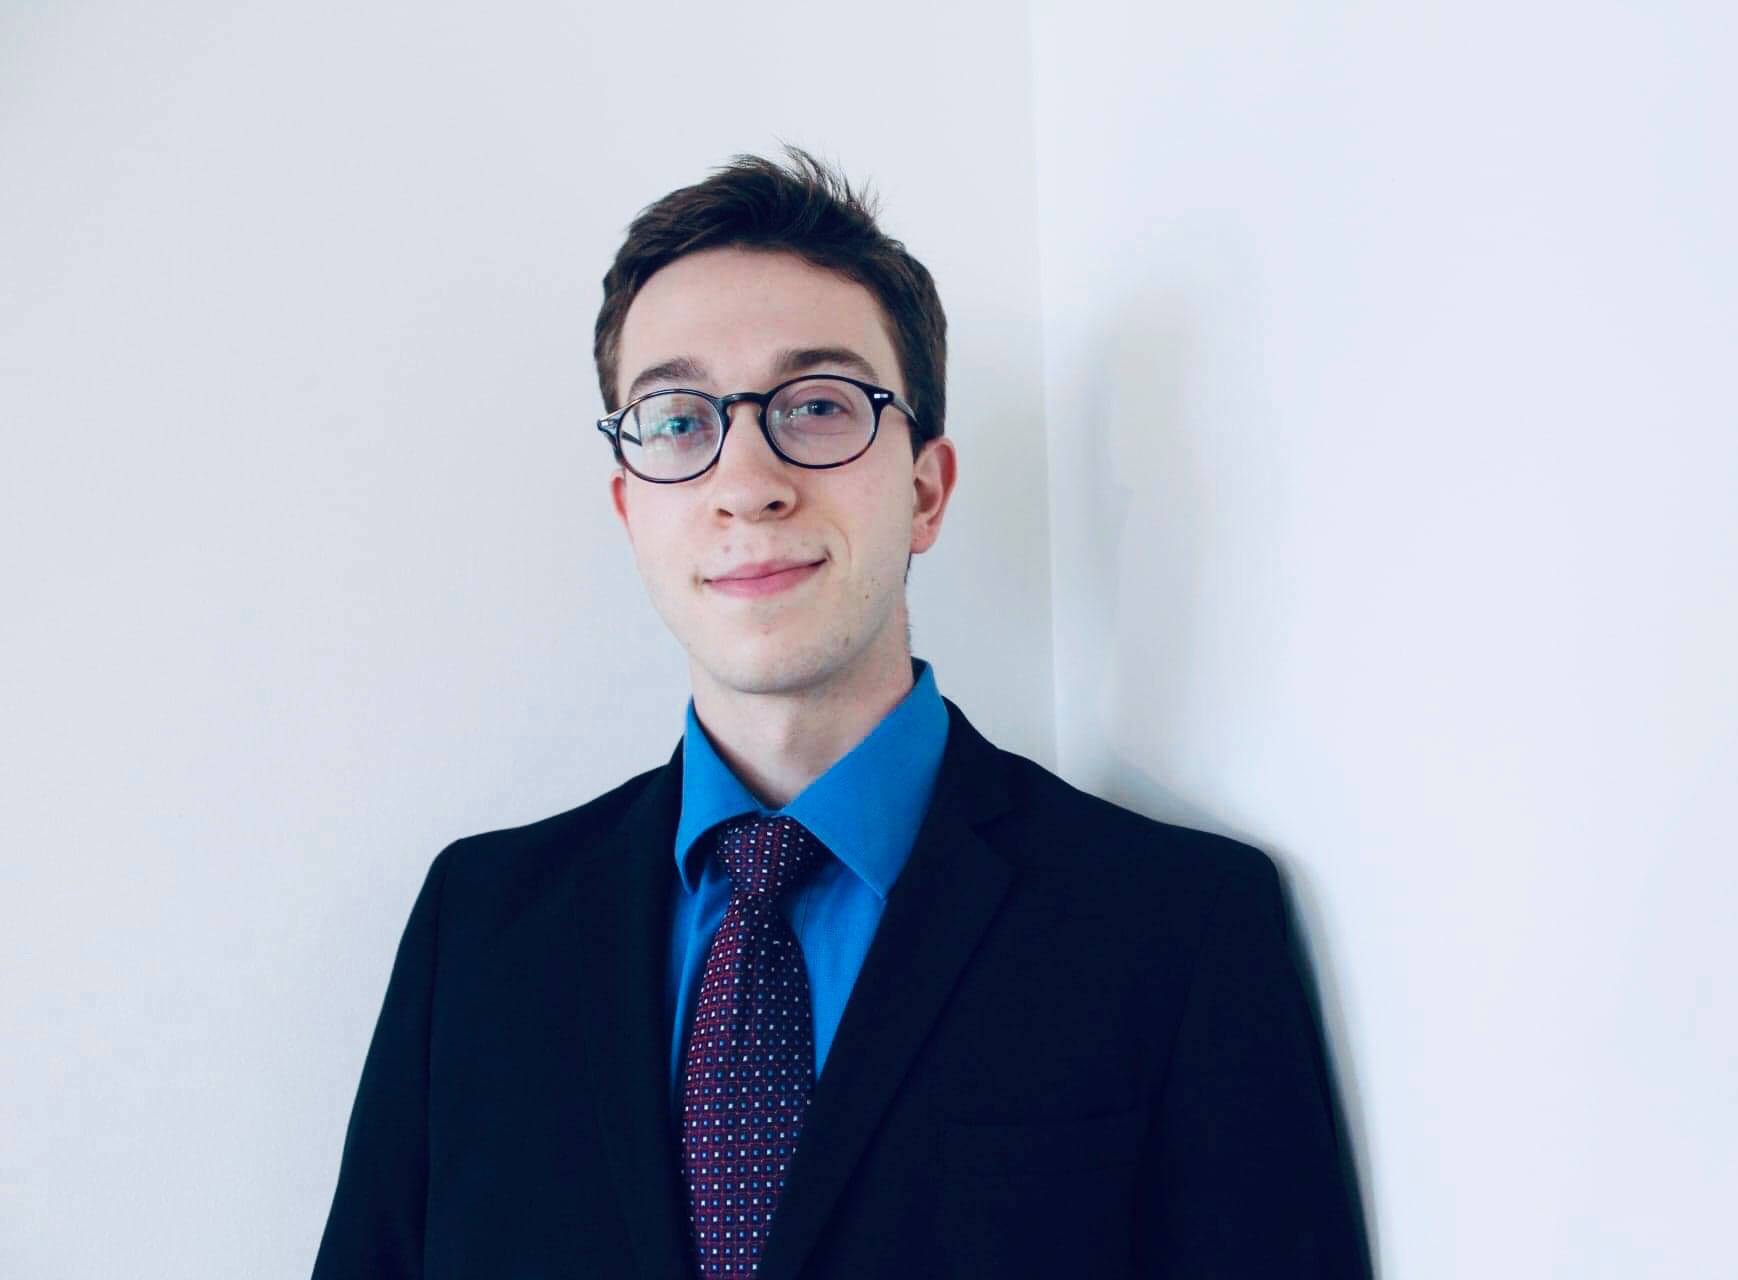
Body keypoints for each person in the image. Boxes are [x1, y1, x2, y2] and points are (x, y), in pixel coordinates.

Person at [311, 146, 1373, 1280]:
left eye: (818, 405)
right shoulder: (477, 932)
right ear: (630, 508)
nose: (747, 483)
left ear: (925, 489)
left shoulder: (1182, 926)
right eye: (678, 420)